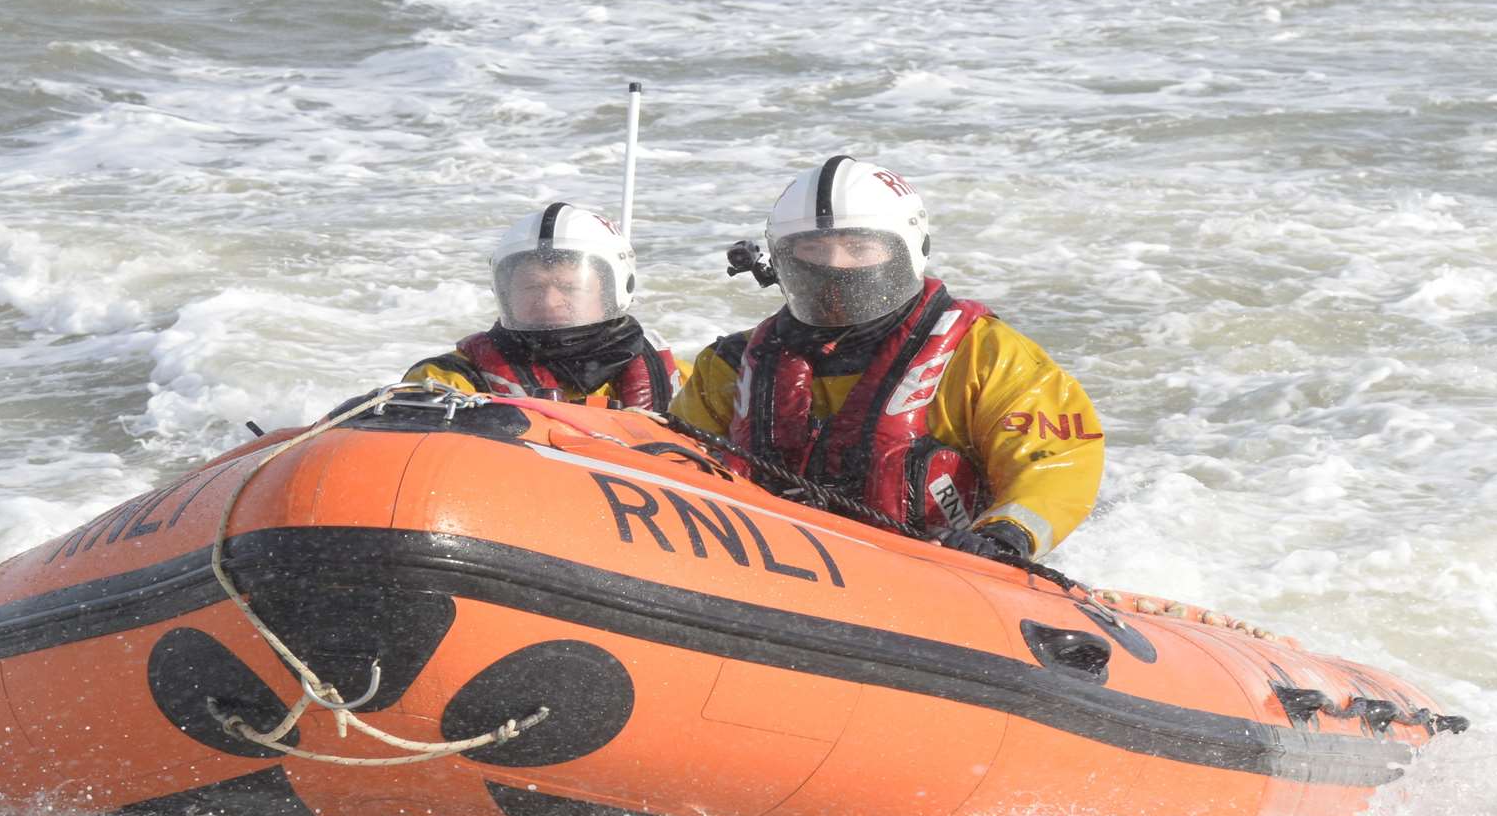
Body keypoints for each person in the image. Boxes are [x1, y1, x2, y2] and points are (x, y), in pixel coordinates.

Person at [672, 156, 1103, 560]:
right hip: (758, 560)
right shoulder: (727, 366)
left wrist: (1005, 535)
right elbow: (669, 460)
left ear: (906, 252)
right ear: (782, 260)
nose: (835, 266)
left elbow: (1057, 462)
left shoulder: (984, 355)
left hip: (936, 575)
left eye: (859, 249)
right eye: (815, 251)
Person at [405, 202, 683, 409]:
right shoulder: (448, 381)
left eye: (569, 287)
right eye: (532, 287)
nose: (550, 301)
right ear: (505, 293)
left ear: (616, 290)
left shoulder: (686, 382)